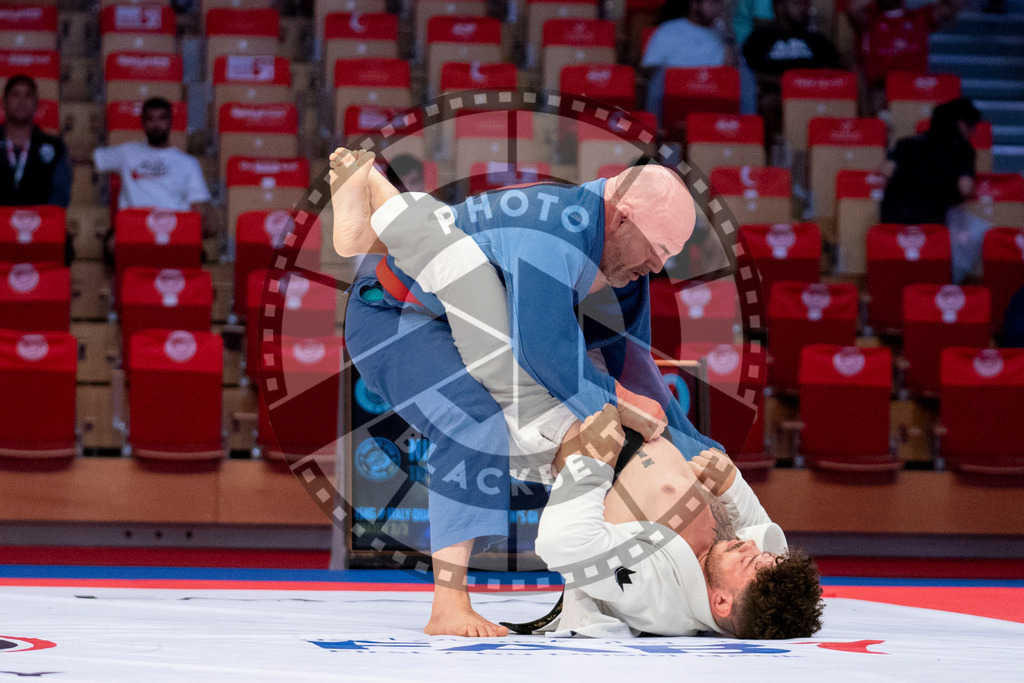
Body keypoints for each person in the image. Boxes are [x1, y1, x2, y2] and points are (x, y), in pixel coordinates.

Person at [332, 149, 720, 637]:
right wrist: (619, 405)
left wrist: (701, 450)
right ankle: (447, 605)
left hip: (459, 306)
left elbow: (634, 363)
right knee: (475, 421)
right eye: (659, 247)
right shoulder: (552, 229)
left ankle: (369, 225)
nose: (660, 265)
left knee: (598, 430)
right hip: (395, 316)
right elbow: (545, 352)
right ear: (622, 217)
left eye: (671, 253)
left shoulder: (623, 259)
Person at [535, 422, 824, 639]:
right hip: (663, 426)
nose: (749, 545)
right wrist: (736, 489)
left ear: (721, 602)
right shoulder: (745, 585)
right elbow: (774, 550)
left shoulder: (654, 589)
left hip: (594, 432)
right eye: (763, 554)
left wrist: (593, 462)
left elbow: (561, 543)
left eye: (748, 560)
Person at [881, 98, 983, 281]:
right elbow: (965, 188)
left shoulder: (907, 142)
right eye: (971, 127)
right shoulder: (962, 149)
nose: (973, 132)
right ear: (960, 124)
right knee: (977, 230)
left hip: (890, 217)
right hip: (930, 221)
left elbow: (886, 171)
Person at [92, 97, 211, 215]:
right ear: (143, 123)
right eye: (150, 119)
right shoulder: (127, 152)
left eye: (162, 118)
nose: (156, 125)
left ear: (170, 121)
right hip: (134, 226)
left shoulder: (188, 163)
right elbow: (93, 159)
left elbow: (198, 203)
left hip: (173, 228)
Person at [743, 0, 842, 139]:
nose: (804, 8)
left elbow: (836, 71)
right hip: (776, 95)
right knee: (768, 103)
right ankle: (777, 152)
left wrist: (803, 84)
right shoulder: (760, 38)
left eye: (806, 4)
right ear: (779, 6)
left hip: (813, 97)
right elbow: (748, 73)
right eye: (797, 3)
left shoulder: (817, 41)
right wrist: (785, 82)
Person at [641, 0, 733, 124]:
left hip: (713, 94)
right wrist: (683, 78)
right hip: (676, 94)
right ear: (694, 4)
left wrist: (728, 35)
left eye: (719, 3)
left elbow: (731, 72)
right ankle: (653, 134)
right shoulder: (668, 30)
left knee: (745, 77)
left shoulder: (723, 35)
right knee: (659, 77)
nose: (717, 7)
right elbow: (650, 69)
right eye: (712, 3)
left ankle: (746, 135)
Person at [0, 74, 71, 208]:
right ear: (4, 102)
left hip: (41, 225)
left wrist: (38, 222)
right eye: (15, 94)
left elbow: (60, 195)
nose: (22, 101)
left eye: (28, 95)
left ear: (36, 103)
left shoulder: (55, 148)